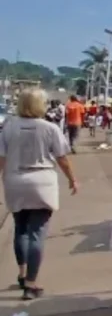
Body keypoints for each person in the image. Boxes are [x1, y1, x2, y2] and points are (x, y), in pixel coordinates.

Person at [0, 88, 78, 300]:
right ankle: (31, 284)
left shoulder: (8, 126)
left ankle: (23, 273)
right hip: (42, 182)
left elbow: (2, 158)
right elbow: (62, 158)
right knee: (37, 233)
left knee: (21, 229)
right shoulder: (50, 128)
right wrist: (72, 179)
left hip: (15, 181)